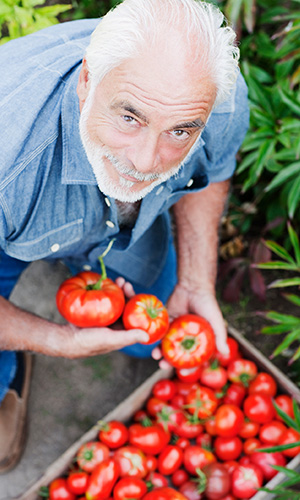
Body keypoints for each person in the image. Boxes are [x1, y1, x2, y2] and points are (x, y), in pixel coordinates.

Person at [0, 0, 249, 472]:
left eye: (180, 130)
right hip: (9, 216)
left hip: (126, 223)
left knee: (140, 339)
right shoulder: (8, 157)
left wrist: (197, 281)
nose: (146, 162)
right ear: (87, 80)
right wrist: (53, 339)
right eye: (129, 117)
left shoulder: (218, 99)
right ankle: (7, 375)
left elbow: (213, 169)